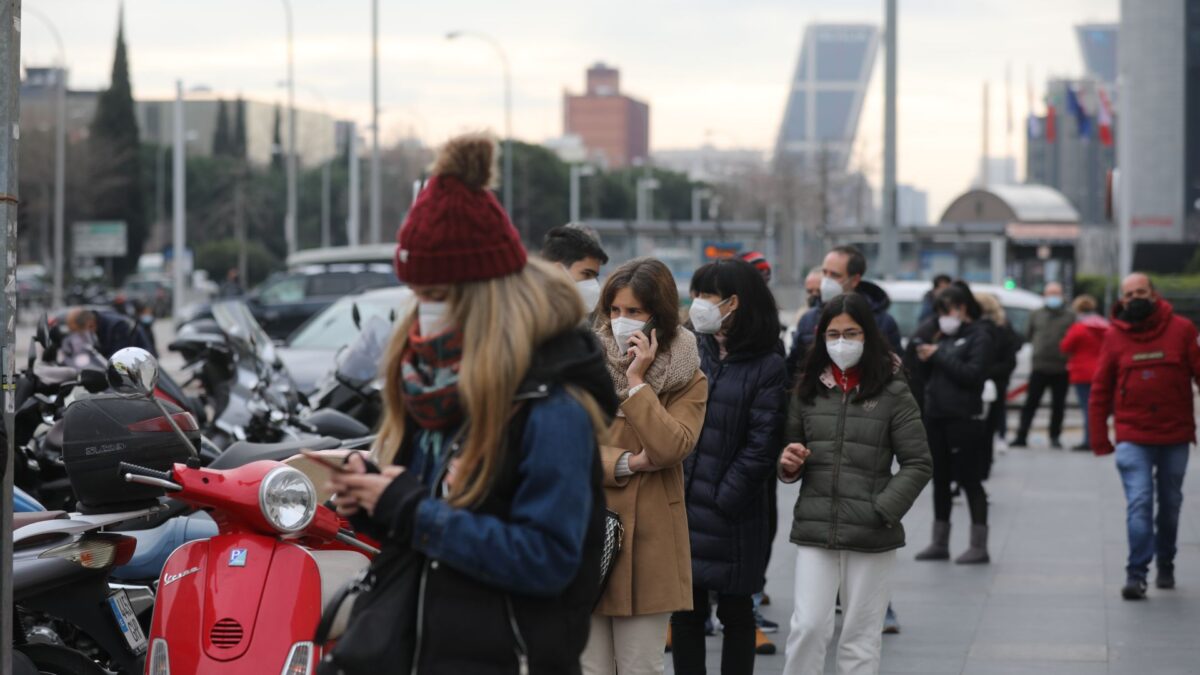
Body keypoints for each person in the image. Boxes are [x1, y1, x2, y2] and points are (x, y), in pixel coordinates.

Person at [327, 134, 620, 674]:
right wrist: (372, 501)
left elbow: (548, 561)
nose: (424, 311)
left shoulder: (550, 408)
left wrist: (410, 507)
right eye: (417, 292)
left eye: (437, 295)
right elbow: (427, 532)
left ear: (483, 295)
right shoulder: (431, 389)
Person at [778, 293, 932, 675]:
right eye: (833, 334)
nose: (841, 342)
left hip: (871, 530)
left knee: (860, 636)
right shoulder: (808, 389)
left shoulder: (893, 391)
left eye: (851, 332)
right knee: (807, 627)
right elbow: (790, 451)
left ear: (868, 335)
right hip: (816, 525)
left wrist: (883, 508)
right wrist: (787, 463)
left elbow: (918, 462)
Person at [583, 257, 708, 675]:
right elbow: (568, 448)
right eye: (614, 310)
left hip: (651, 542)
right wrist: (627, 462)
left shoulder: (687, 374)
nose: (621, 321)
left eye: (634, 311)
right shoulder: (585, 366)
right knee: (589, 667)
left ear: (659, 314)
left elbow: (673, 447)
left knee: (641, 666)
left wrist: (637, 382)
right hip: (587, 532)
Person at [670, 259, 786, 675]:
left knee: (736, 614)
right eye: (696, 293)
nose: (697, 303)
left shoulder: (767, 363)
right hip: (682, 505)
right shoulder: (687, 347)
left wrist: (724, 499)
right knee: (685, 614)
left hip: (733, 513)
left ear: (734, 302)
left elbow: (762, 444)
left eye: (707, 295)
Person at [1089, 273, 1200, 600]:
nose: (1135, 297)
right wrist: (1099, 438)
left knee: (1170, 504)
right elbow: (1100, 389)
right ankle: (1136, 574)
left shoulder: (1182, 330)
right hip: (1132, 436)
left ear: (1153, 294)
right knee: (1139, 503)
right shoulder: (1114, 337)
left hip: (1174, 435)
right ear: (1121, 300)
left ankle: (1166, 561)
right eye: (1129, 294)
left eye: (1141, 291)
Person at [912, 284, 995, 565]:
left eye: (947, 311)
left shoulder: (980, 335)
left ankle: (978, 544)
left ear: (962, 308)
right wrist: (923, 356)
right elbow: (927, 375)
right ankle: (939, 541)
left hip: (964, 419)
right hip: (936, 417)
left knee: (970, 480)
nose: (943, 318)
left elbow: (973, 374)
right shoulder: (942, 336)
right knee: (940, 479)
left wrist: (938, 355)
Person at [785, 246, 902, 384]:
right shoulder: (808, 319)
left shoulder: (881, 322)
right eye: (824, 272)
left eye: (835, 275)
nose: (826, 280)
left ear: (854, 280)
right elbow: (794, 368)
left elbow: (894, 373)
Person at [1011, 282, 1075, 449]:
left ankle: (1055, 436)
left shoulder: (1070, 315)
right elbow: (1029, 334)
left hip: (1061, 367)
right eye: (1050, 293)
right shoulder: (1036, 314)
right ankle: (1021, 435)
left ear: (1062, 295)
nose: (1053, 297)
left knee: (1058, 405)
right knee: (1030, 403)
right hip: (1039, 366)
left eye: (1056, 293)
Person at [975, 292, 1021, 459]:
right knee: (993, 416)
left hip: (993, 381)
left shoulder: (998, 329)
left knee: (992, 416)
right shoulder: (999, 327)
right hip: (992, 379)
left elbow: (1010, 358)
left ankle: (992, 448)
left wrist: (984, 371)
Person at [1059, 295, 1108, 451]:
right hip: (1102, 371)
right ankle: (1099, 438)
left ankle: (1088, 440)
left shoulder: (1079, 328)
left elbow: (1065, 346)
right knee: (1099, 408)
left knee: (1087, 408)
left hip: (1082, 373)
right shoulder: (1106, 326)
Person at [541, 223, 609, 311]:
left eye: (595, 278)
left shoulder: (577, 318)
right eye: (586, 274)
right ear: (557, 271)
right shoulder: (526, 316)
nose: (594, 286)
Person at [64, 306, 158, 358]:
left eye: (81, 332)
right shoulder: (101, 325)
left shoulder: (117, 326)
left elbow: (119, 356)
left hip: (142, 362)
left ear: (90, 325)